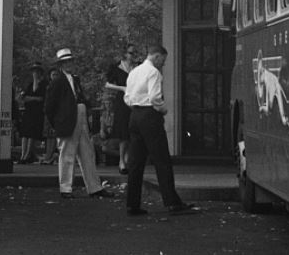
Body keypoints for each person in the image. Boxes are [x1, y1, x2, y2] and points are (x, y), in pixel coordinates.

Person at [124, 43, 197, 216]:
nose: (163, 64)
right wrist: (163, 109)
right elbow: (155, 97)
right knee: (162, 160)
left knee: (135, 162)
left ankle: (132, 204)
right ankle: (172, 202)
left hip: (134, 116)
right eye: (162, 60)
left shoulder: (134, 72)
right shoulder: (153, 72)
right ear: (156, 56)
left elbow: (127, 97)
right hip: (150, 116)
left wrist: (136, 108)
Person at [43, 48, 112, 200]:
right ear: (60, 64)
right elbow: (49, 107)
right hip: (67, 119)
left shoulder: (75, 79)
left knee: (87, 153)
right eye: (65, 61)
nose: (69, 64)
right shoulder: (57, 81)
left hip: (79, 116)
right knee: (67, 154)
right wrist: (58, 123)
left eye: (70, 61)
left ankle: (94, 187)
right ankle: (65, 188)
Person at [103, 42, 140, 174]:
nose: (133, 55)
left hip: (135, 100)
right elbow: (107, 84)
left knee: (133, 130)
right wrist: (122, 88)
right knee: (124, 131)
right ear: (124, 53)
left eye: (134, 53)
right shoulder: (116, 67)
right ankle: (122, 161)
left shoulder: (138, 67)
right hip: (122, 100)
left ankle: (128, 158)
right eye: (131, 53)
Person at [16, 62, 47, 163]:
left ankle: (28, 155)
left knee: (32, 134)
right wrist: (32, 98)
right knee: (25, 133)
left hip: (37, 112)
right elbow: (24, 97)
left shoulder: (43, 84)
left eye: (37, 71)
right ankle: (23, 154)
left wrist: (32, 98)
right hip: (28, 111)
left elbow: (41, 98)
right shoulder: (29, 84)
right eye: (33, 71)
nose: (35, 73)